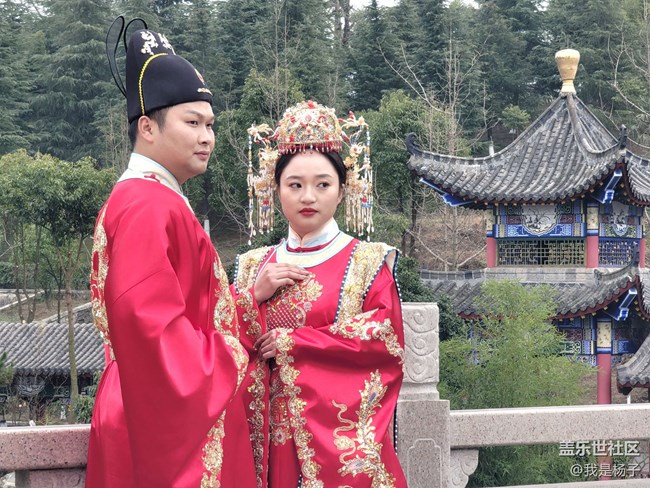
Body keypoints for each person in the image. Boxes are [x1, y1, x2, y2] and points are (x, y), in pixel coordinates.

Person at [86, 18, 257, 487]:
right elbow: (149, 325)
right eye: (192, 122)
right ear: (147, 126)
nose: (207, 137)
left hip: (143, 400)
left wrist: (246, 303)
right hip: (159, 409)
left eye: (210, 125)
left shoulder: (150, 198)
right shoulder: (147, 205)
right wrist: (230, 352)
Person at [230, 100, 407, 487]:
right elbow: (214, 339)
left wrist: (295, 344)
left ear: (343, 190)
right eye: (295, 185)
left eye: (322, 184)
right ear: (275, 190)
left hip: (333, 440)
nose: (308, 196)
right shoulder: (251, 267)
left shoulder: (368, 263)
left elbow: (384, 341)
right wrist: (251, 298)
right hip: (264, 442)